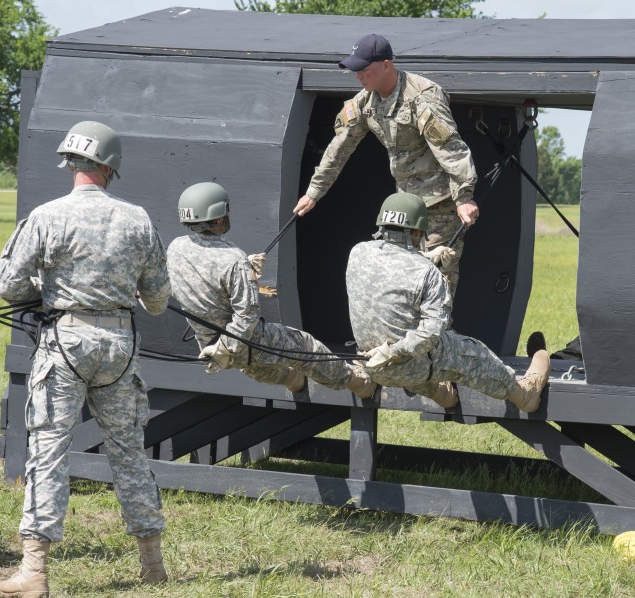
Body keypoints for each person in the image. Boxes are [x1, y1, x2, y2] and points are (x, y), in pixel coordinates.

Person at [0, 121, 171, 598]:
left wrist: (49, 288)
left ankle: (34, 572)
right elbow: (157, 301)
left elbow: (8, 285)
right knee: (129, 451)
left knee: (48, 451)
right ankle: (152, 565)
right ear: (111, 167)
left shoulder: (47, 216)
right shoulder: (137, 219)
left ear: (71, 163)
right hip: (118, 347)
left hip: (65, 345)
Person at [294, 33, 479, 297]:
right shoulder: (365, 101)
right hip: (405, 206)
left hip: (440, 203)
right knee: (401, 277)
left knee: (436, 281)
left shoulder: (422, 97)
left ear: (386, 65)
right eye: (356, 72)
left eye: (365, 71)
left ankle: (438, 337)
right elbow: (339, 148)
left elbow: (451, 149)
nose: (359, 77)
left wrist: (464, 198)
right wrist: (314, 192)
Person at [167, 182, 375, 399]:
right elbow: (247, 317)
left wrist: (245, 269)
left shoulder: (176, 247)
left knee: (252, 364)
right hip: (238, 342)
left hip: (208, 342)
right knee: (304, 345)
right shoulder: (232, 258)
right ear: (218, 217)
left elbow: (201, 283)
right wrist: (226, 348)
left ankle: (292, 380)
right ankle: (359, 383)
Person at [345, 192, 550, 412]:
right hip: (410, 367)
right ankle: (523, 395)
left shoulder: (358, 252)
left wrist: (427, 258)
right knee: (475, 354)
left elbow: (393, 267)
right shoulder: (426, 274)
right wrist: (431, 270)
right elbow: (430, 334)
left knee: (424, 355)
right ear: (416, 231)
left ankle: (443, 394)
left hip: (369, 362)